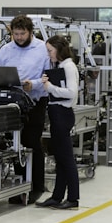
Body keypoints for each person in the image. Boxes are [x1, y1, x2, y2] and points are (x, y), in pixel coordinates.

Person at [0, 15, 49, 204]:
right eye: (15, 34)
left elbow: (48, 76)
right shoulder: (6, 50)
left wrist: (32, 84)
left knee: (31, 142)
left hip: (35, 102)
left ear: (30, 31)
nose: (18, 37)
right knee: (15, 146)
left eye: (22, 34)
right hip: (12, 104)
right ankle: (20, 186)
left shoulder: (42, 49)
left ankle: (36, 187)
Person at [36, 35, 80, 210]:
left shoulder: (69, 67)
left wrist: (50, 88)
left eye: (50, 51)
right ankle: (57, 196)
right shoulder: (60, 66)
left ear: (59, 49)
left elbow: (71, 93)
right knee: (60, 158)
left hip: (63, 113)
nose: (49, 54)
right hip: (56, 113)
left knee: (66, 158)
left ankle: (73, 198)